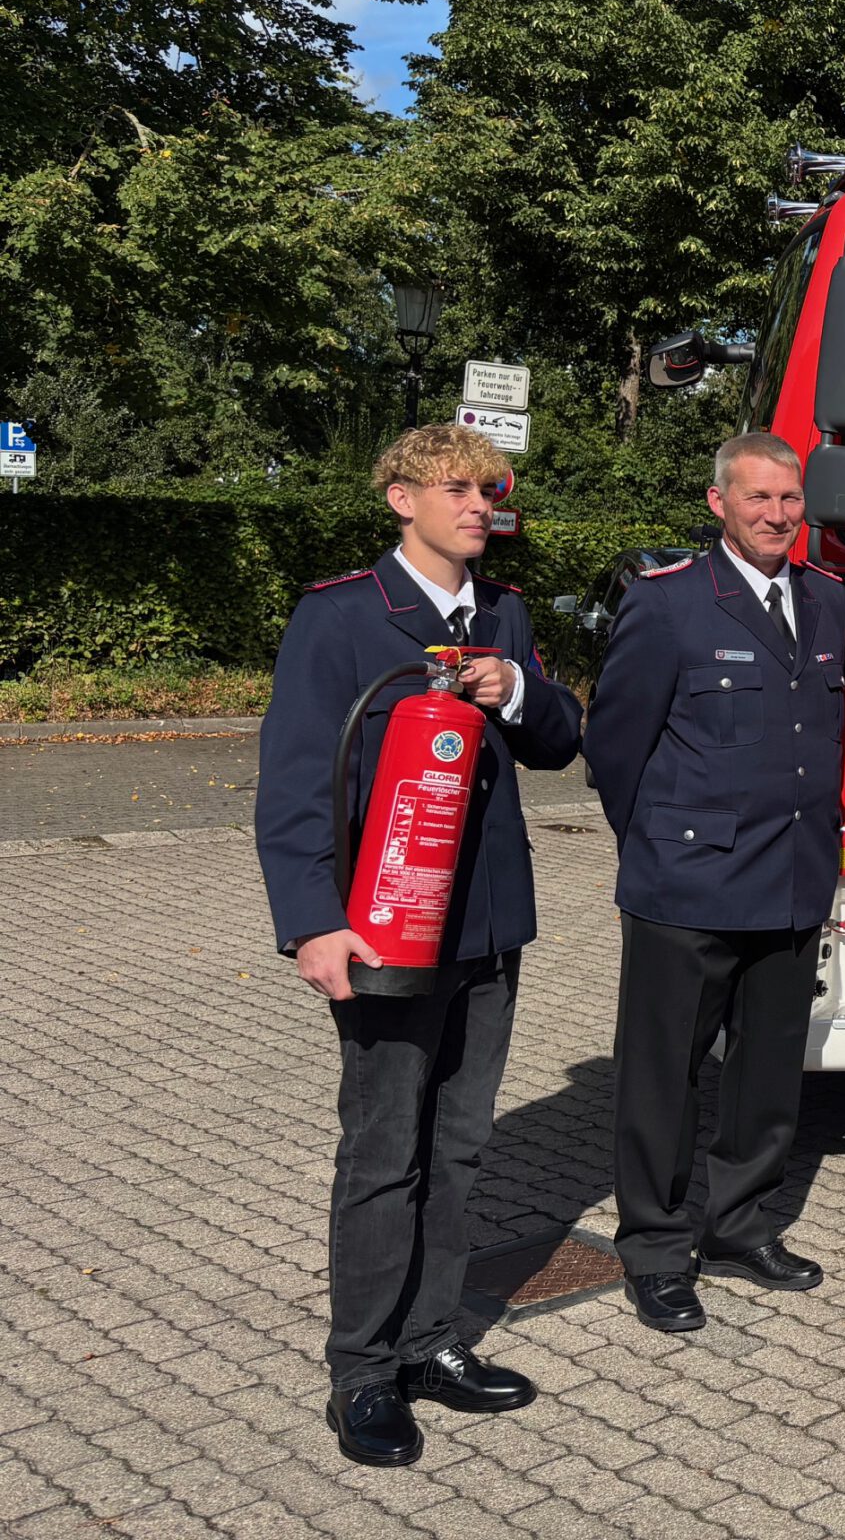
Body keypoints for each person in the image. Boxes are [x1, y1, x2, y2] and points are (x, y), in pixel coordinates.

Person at [254, 425, 584, 1467]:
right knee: (384, 1151)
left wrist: (515, 689)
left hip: (487, 925)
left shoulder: (503, 615)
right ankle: (362, 1370)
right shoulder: (341, 614)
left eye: (491, 487)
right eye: (457, 487)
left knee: (461, 1145)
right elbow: (296, 779)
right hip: (385, 926)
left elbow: (559, 740)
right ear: (401, 498)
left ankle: (432, 1341)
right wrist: (313, 921)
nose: (481, 504)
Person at [584, 434, 845, 1332]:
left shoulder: (826, 598)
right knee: (663, 1080)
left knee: (767, 1075)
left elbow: (820, 734)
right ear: (718, 504)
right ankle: (657, 1250)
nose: (777, 515)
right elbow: (615, 745)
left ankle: (739, 1227)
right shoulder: (669, 603)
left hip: (792, 875)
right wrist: (658, 843)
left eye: (789, 498)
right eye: (757, 498)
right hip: (688, 884)